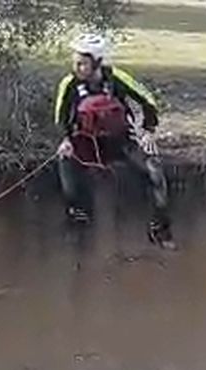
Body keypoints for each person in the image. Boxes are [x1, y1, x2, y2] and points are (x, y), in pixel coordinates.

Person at [53, 34, 174, 246]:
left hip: (120, 142)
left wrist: (148, 131)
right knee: (65, 162)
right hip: (84, 144)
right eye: (75, 62)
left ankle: (160, 229)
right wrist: (65, 140)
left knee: (154, 170)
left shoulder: (116, 77)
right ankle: (77, 215)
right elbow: (60, 117)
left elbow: (148, 101)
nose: (77, 67)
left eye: (82, 63)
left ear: (97, 62)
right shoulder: (69, 84)